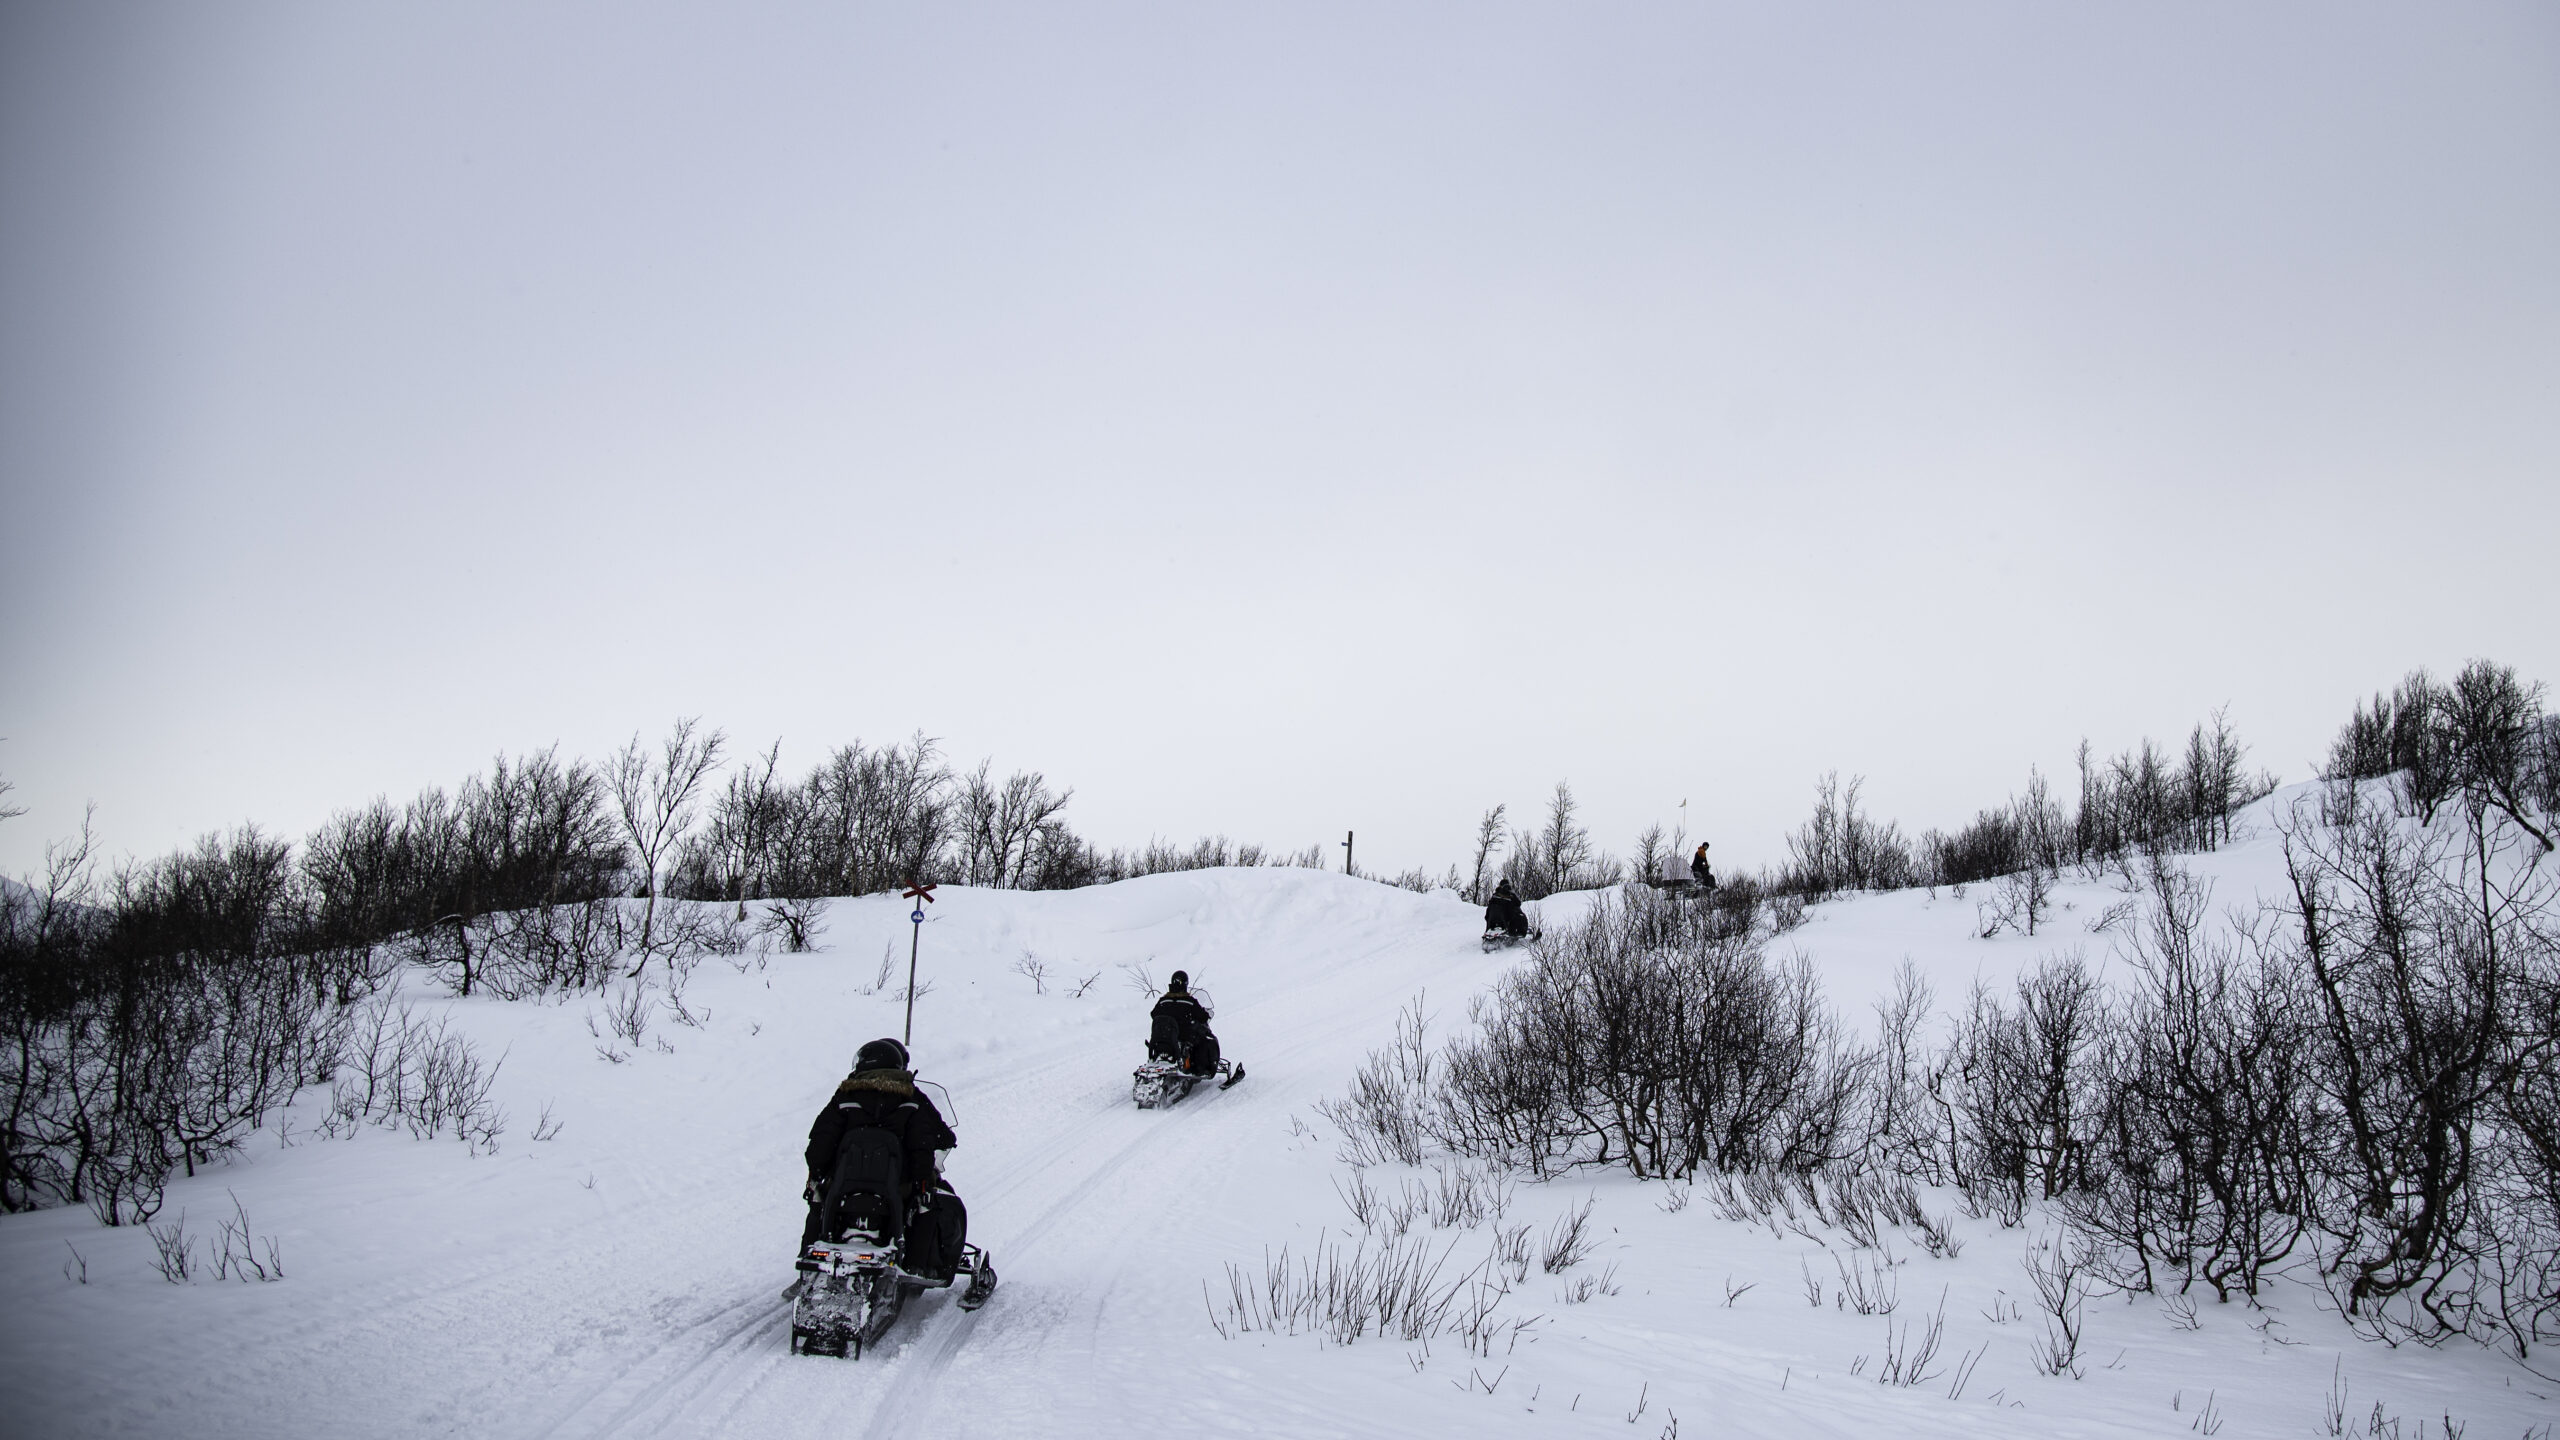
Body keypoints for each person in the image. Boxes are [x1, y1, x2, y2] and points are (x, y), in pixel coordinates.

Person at [802, 1037, 969, 1281]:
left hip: (844, 1186)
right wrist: (923, 1173)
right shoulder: (912, 1098)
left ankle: (807, 1265)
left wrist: (818, 1173)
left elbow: (820, 1142)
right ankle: (916, 1266)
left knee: (818, 1197)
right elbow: (934, 1138)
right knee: (927, 1203)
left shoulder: (845, 1096)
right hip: (898, 1187)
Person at [1147, 970, 1221, 1075]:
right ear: (1185, 984)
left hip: (1162, 1035)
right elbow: (1203, 1017)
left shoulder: (1163, 1001)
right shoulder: (1189, 1001)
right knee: (1204, 1039)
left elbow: (1154, 1014)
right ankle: (1200, 1069)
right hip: (1183, 1035)